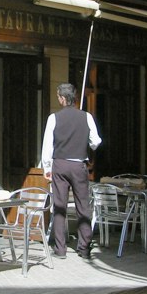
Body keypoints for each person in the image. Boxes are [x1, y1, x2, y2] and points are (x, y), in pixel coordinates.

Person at [41, 83, 101, 259]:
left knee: (59, 206)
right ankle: (84, 248)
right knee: (83, 206)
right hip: (78, 165)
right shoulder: (86, 117)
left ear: (61, 98)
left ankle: (60, 249)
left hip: (59, 164)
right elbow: (96, 141)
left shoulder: (54, 118)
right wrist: (87, 143)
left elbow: (47, 144)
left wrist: (46, 167)